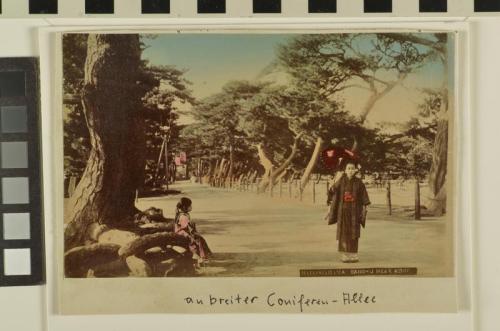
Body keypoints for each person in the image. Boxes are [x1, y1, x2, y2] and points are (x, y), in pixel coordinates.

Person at [327, 161, 370, 263]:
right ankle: (345, 255)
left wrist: (365, 207)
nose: (350, 170)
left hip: (355, 211)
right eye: (348, 168)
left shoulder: (359, 182)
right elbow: (332, 191)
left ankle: (353, 254)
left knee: (354, 233)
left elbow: (364, 197)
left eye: (352, 168)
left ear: (355, 170)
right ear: (345, 170)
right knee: (344, 233)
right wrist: (332, 184)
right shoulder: (341, 181)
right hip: (343, 211)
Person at [174, 197, 212, 266]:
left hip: (184, 231)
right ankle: (201, 258)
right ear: (185, 207)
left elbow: (188, 227)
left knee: (199, 238)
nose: (191, 207)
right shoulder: (183, 216)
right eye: (190, 206)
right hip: (182, 233)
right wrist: (191, 235)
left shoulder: (184, 214)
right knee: (197, 240)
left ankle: (202, 256)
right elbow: (185, 228)